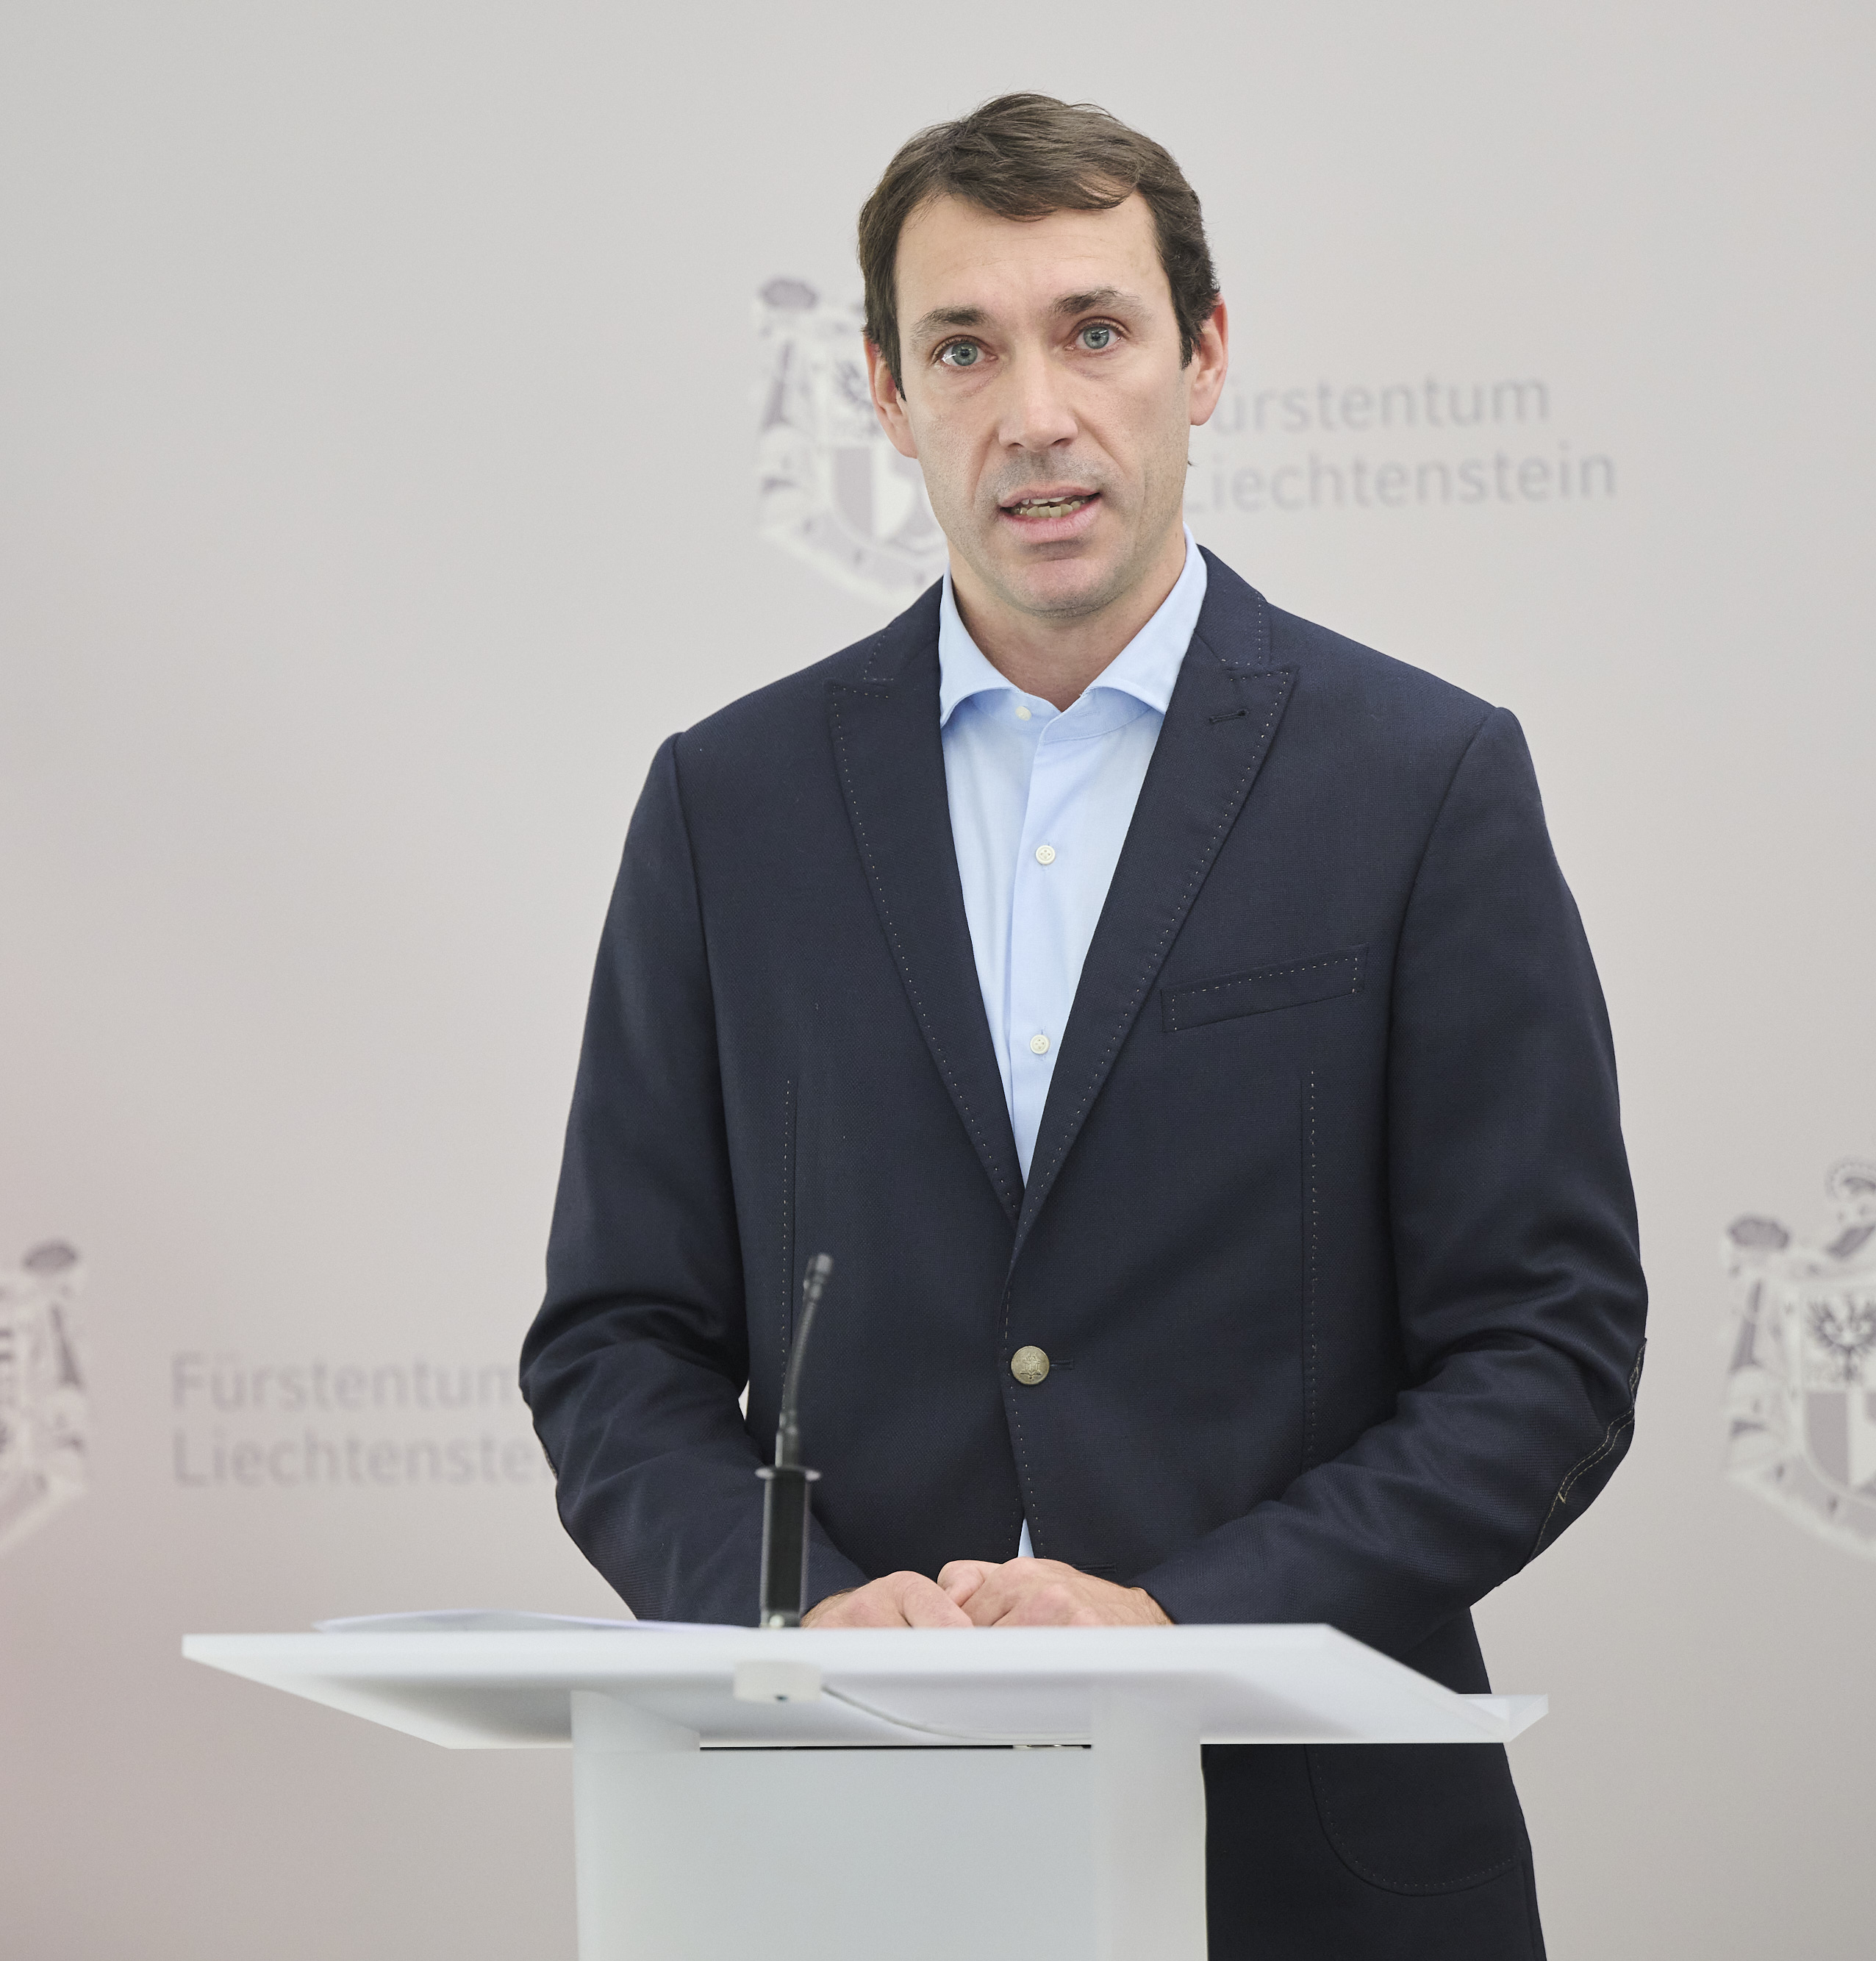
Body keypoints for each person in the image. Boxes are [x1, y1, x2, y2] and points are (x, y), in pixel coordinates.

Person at [520, 92, 1646, 1959]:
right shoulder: (726, 806)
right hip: (845, 1848)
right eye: (963, 348)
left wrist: (1177, 1620)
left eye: (1093, 331)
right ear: (886, 394)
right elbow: (614, 1341)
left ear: (1200, 358)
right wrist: (795, 1606)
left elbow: (1547, 1345)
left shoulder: (1421, 781)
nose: (1032, 412)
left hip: (1316, 1873)